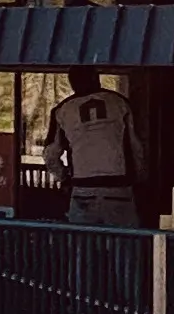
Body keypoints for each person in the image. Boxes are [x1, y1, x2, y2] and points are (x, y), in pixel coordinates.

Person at [45, 72, 144, 229]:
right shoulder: (120, 103)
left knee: (83, 245)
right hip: (118, 187)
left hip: (83, 188)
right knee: (124, 244)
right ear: (97, 79)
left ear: (72, 83)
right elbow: (136, 146)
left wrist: (64, 177)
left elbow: (51, 154)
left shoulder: (62, 110)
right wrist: (138, 176)